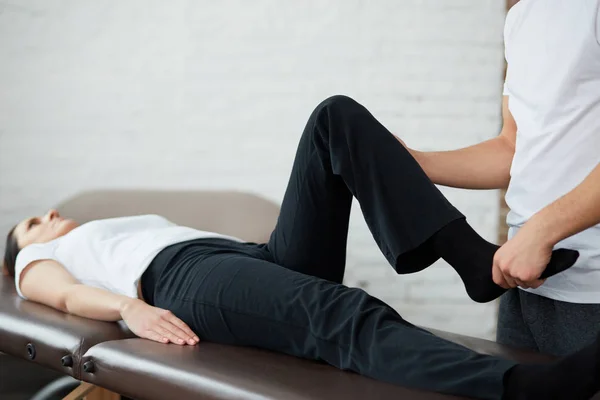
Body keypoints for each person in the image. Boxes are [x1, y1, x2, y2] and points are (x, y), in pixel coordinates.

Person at [2, 95, 598, 400]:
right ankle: (520, 389)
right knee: (338, 313)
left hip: (245, 256)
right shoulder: (34, 265)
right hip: (186, 281)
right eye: (32, 222)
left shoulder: (95, 230)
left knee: (333, 118)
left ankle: (471, 258)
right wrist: (127, 309)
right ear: (21, 251)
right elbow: (65, 294)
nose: (48, 217)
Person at [400, 0, 600, 356]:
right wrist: (417, 163)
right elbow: (512, 146)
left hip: (591, 289)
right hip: (524, 281)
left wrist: (543, 230)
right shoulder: (521, 17)